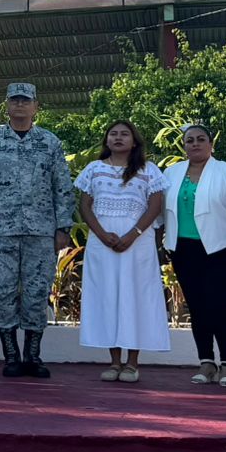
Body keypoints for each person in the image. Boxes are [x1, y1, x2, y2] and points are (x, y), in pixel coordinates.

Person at [0, 83, 75, 378]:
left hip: (41, 230)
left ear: (35, 106)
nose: (20, 105)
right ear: (6, 105)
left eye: (25, 100)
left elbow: (62, 186)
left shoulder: (49, 142)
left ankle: (33, 355)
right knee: (3, 290)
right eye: (15, 100)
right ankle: (11, 355)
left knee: (37, 291)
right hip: (1, 229)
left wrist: (63, 226)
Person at [159, 124, 226, 388]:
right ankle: (206, 362)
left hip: (222, 249)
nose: (195, 144)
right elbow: (161, 212)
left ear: (211, 144)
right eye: (189, 140)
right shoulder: (171, 173)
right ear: (184, 146)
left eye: (201, 139)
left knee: (221, 306)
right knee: (197, 307)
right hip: (183, 250)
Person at [76, 121, 169, 383]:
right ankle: (114, 362)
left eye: (124, 134)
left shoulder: (148, 170)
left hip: (138, 243)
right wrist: (102, 234)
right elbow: (85, 206)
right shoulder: (94, 169)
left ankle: (132, 363)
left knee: (135, 297)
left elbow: (155, 206)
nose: (118, 138)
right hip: (102, 243)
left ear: (134, 141)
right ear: (106, 140)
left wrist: (132, 234)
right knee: (108, 297)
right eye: (113, 134)